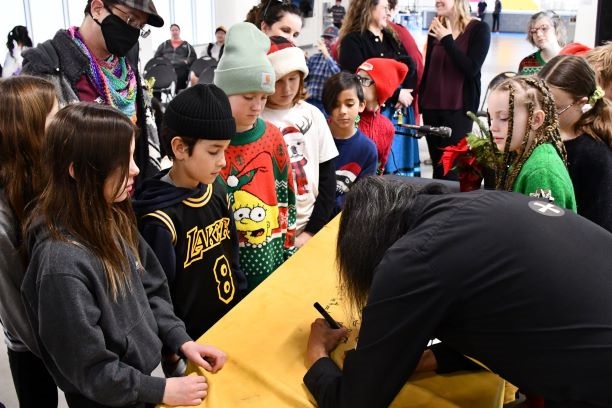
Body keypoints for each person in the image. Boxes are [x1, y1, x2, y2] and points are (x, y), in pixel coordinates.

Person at [304, 176, 612, 408]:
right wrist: (414, 358)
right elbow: (501, 314)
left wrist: (317, 354)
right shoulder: (486, 202)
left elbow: (356, 402)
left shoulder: (413, 258)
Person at [21, 103, 227, 408]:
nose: (136, 169)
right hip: (109, 398)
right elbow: (89, 369)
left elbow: (152, 287)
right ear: (78, 171)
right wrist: (159, 391)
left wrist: (181, 340)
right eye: (123, 161)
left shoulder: (113, 215)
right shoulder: (60, 266)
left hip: (142, 381)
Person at [133, 84, 248, 375]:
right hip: (190, 346)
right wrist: (171, 350)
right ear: (180, 148)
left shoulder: (216, 190)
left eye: (225, 150)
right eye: (213, 151)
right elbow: (159, 294)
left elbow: (232, 255)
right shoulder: (160, 219)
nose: (223, 161)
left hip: (231, 323)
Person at [22, 0, 164, 187]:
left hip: (131, 191)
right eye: (130, 20)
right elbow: (37, 149)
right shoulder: (47, 64)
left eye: (140, 27)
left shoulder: (129, 58)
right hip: (84, 197)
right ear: (97, 8)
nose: (133, 32)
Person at [214, 22, 296, 291]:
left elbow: (286, 195)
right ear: (224, 92)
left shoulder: (273, 137)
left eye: (263, 97)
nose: (257, 106)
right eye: (248, 96)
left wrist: (287, 245)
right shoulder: (211, 141)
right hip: (222, 265)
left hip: (269, 258)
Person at [0, 76, 59, 408]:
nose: (64, 120)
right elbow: (16, 313)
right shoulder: (3, 220)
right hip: (30, 344)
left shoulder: (51, 175)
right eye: (55, 116)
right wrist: (66, 357)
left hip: (61, 328)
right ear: (30, 131)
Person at [263, 36, 338, 248]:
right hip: (267, 229)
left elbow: (327, 177)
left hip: (307, 224)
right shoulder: (255, 118)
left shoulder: (314, 115)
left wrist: (312, 230)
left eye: (292, 79)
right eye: (278, 81)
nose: (286, 89)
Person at [539, 55, 612, 232]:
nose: (543, 115)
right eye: (539, 104)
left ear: (582, 104)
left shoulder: (594, 156)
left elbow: (597, 229)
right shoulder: (545, 135)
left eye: (555, 108)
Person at [419, 0, 490, 180]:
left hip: (458, 111)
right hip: (431, 107)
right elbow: (429, 68)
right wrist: (420, 100)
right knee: (437, 167)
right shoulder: (437, 27)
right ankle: (436, 206)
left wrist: (448, 41)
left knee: (451, 170)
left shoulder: (479, 29)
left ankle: (450, 206)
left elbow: (472, 68)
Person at [487, 75, 576, 210]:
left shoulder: (542, 172)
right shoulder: (520, 154)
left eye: (504, 118)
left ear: (535, 120)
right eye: (491, 118)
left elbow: (545, 228)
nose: (492, 127)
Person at [337, 0, 417, 111]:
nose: (388, 13)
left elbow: (408, 67)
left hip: (398, 112)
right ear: (369, 8)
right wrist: (396, 95)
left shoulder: (391, 37)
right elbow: (354, 81)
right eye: (384, 8)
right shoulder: (352, 41)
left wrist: (406, 93)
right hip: (367, 115)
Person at [322, 71, 377, 215]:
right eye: (335, 105)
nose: (342, 111)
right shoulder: (316, 138)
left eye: (349, 104)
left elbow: (361, 197)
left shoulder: (367, 150)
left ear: (361, 105)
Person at [356, 57, 408, 174]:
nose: (357, 84)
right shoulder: (346, 117)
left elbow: (380, 168)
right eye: (357, 78)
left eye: (364, 80)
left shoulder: (387, 127)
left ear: (381, 88)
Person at [305, 25, 341, 115]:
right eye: (325, 38)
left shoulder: (338, 58)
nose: (326, 42)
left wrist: (326, 55)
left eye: (330, 39)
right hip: (309, 101)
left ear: (337, 41)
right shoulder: (314, 58)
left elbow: (338, 76)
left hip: (326, 104)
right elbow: (305, 77)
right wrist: (302, 61)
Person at [518, 10, 566, 75]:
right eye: (534, 31)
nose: (538, 34)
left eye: (544, 28)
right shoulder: (526, 63)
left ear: (557, 29)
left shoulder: (572, 60)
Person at [154, 23, 197, 92]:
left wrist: (187, 61)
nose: (174, 32)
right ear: (170, 32)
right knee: (155, 76)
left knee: (182, 74)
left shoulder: (187, 45)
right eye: (172, 30)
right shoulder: (164, 45)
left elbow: (193, 58)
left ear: (179, 31)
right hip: (166, 69)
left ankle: (179, 95)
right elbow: (156, 57)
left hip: (181, 69)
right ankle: (157, 101)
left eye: (176, 30)